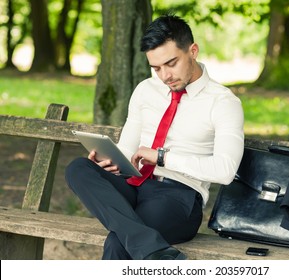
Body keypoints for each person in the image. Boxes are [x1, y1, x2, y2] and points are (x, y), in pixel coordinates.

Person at [65, 14, 244, 260]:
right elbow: (128, 149)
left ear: (193, 51)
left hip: (179, 197)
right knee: (78, 168)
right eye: (156, 67)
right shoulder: (145, 90)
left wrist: (162, 158)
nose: (165, 76)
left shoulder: (223, 102)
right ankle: (156, 252)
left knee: (119, 242)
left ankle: (151, 249)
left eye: (171, 63)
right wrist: (112, 162)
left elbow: (225, 170)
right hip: (134, 184)